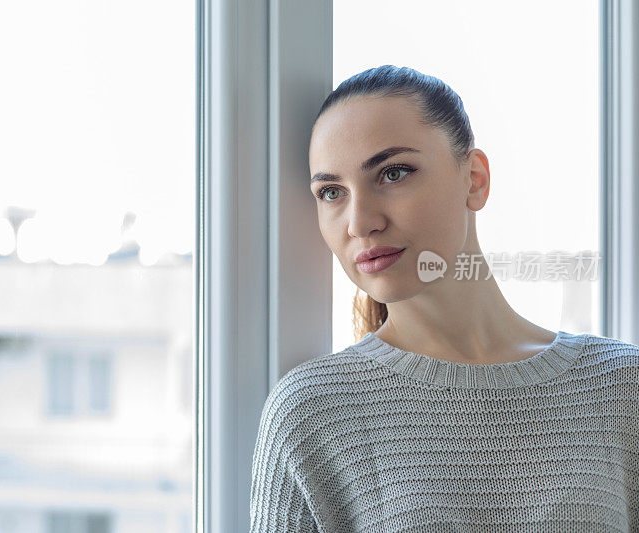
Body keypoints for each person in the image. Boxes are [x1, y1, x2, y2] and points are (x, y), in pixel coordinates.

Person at [248, 64, 639, 532]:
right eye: (331, 192)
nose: (359, 221)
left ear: (474, 179)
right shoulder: (309, 414)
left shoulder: (622, 387)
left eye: (394, 173)